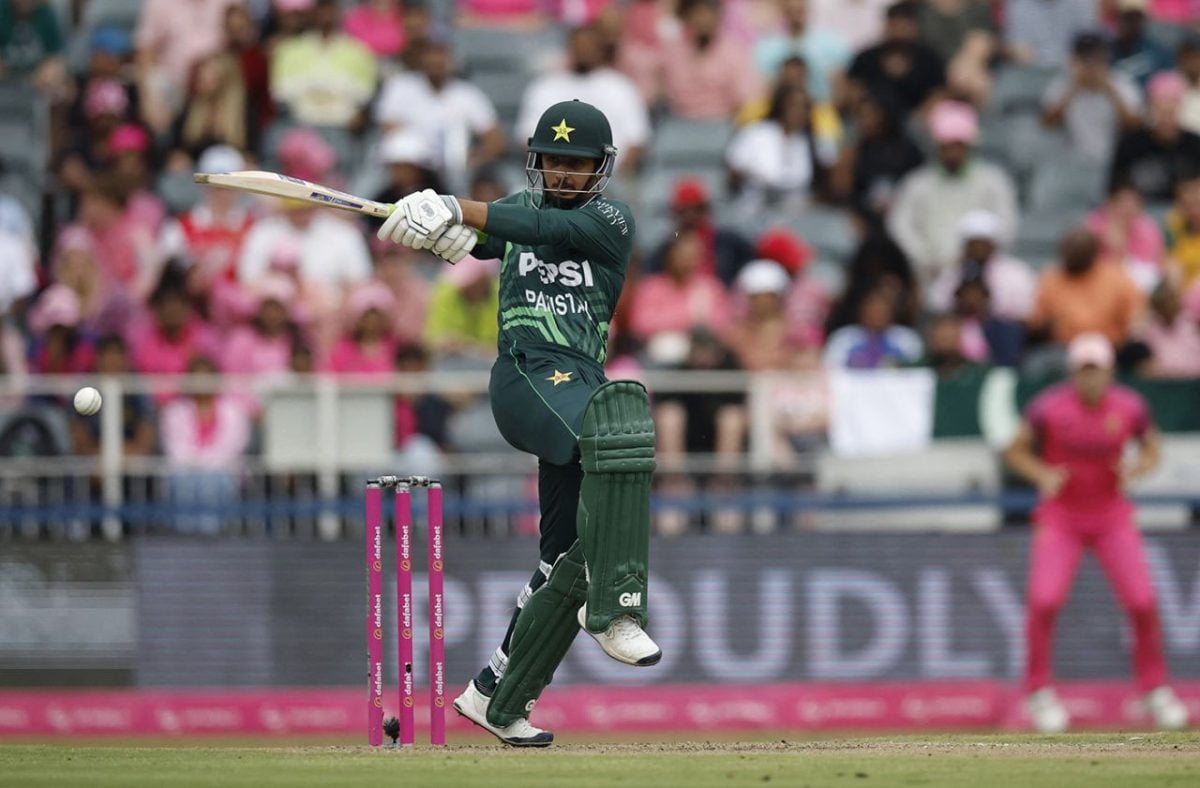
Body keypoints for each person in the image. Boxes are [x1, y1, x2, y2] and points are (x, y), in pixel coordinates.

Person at [376, 99, 660, 746]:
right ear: (537, 162)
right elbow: (481, 236)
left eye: (576, 164)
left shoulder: (611, 220)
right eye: (553, 162)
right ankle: (617, 608)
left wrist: (453, 208)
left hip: (577, 385)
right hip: (526, 376)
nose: (562, 174)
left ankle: (496, 697)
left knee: (565, 557)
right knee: (621, 425)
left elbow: (522, 228)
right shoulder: (516, 211)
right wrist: (423, 226)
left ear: (600, 170)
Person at [1003, 332, 1189, 733]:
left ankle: (1155, 689)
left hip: (1111, 516)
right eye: (1084, 370)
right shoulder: (1048, 407)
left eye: (1098, 370)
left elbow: (1153, 448)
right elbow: (1015, 450)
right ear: (1073, 372)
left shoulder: (1130, 407)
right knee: (1044, 600)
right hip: (1061, 517)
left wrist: (1136, 469)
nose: (1091, 379)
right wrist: (1043, 474)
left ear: (1110, 372)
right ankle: (1038, 693)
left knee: (1142, 601)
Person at [887, 100, 1018, 285]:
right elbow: (901, 227)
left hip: (982, 277)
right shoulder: (916, 183)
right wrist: (928, 259)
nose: (953, 153)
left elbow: (1005, 225)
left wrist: (975, 257)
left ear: (968, 146)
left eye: (958, 145)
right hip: (929, 275)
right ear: (938, 146)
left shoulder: (992, 181)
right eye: (947, 146)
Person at [516, 24, 649, 174]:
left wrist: (611, 179)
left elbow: (637, 140)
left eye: (589, 45)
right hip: (552, 177)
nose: (583, 50)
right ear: (569, 47)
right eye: (578, 45)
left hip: (609, 179)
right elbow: (528, 139)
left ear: (600, 49)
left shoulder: (620, 87)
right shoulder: (544, 87)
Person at [1029, 227, 1145, 347]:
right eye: (1070, 252)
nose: (1074, 256)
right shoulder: (1051, 279)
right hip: (1063, 347)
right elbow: (1037, 322)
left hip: (1110, 347)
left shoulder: (1116, 278)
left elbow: (1135, 319)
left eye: (1079, 252)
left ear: (1093, 253)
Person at [1041, 32, 1142, 165]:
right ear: (1074, 60)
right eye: (1086, 59)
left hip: (1114, 162)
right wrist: (1073, 88)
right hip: (1071, 163)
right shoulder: (1062, 84)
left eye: (1097, 58)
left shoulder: (1121, 82)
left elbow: (1135, 127)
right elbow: (1048, 124)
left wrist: (1111, 91)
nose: (1092, 65)